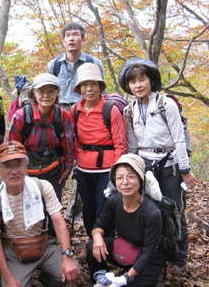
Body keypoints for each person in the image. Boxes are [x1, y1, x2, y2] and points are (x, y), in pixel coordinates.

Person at [118, 57, 201, 270]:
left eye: (142, 79)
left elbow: (179, 138)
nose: (138, 85)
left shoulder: (166, 103)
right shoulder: (130, 109)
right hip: (145, 166)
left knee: (174, 210)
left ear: (151, 80)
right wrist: (129, 170)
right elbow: (132, 145)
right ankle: (155, 256)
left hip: (170, 165)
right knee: (150, 211)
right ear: (128, 85)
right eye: (133, 81)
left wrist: (185, 169)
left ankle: (178, 257)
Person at [0, 140, 80, 286]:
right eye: (7, 165)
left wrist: (67, 256)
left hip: (45, 246)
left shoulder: (42, 187)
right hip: (15, 254)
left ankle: (49, 280)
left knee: (72, 272)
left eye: (18, 164)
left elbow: (58, 221)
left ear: (26, 165)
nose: (14, 171)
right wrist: (8, 277)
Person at [87, 154, 165, 286]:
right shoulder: (114, 201)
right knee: (91, 245)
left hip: (147, 261)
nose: (125, 182)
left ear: (140, 180)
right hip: (125, 248)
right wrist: (98, 237)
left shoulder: (152, 213)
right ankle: (101, 279)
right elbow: (99, 225)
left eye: (131, 176)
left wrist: (125, 278)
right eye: (120, 177)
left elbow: (149, 252)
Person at [70, 63, 126, 236]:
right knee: (88, 206)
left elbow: (120, 142)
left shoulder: (111, 109)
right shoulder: (75, 110)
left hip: (107, 168)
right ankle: (92, 242)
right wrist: (78, 157)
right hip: (83, 167)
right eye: (85, 85)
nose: (90, 89)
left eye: (94, 84)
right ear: (79, 88)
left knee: (104, 206)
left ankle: (105, 243)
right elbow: (74, 138)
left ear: (100, 87)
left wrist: (118, 170)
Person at [8, 73, 74, 201]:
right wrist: (15, 171)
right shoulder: (21, 116)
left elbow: (68, 144)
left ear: (57, 93)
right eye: (41, 91)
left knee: (52, 209)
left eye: (51, 91)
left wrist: (68, 167)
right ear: (34, 94)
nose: (46, 95)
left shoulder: (62, 116)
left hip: (54, 169)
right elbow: (12, 146)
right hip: (26, 170)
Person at [47, 22, 104, 108]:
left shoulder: (94, 63)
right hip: (59, 112)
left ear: (83, 39)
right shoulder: (54, 65)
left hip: (85, 110)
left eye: (75, 34)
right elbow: (48, 91)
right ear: (63, 41)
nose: (71, 38)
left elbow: (101, 91)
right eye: (68, 35)